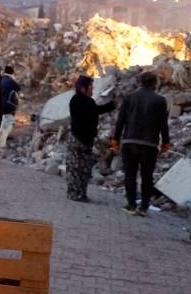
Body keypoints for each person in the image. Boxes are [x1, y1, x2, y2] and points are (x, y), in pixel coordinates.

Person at [111, 71, 171, 216]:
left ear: (140, 82)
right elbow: (163, 124)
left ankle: (131, 205)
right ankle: (144, 207)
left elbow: (121, 121)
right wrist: (166, 143)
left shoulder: (130, 98)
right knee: (147, 176)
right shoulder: (160, 100)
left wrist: (115, 141)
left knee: (130, 175)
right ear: (155, 84)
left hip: (129, 142)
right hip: (150, 145)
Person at [66, 75, 117, 202]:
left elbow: (96, 110)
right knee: (77, 168)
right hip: (79, 140)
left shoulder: (84, 101)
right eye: (91, 87)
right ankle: (76, 194)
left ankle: (78, 193)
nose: (92, 90)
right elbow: (93, 112)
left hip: (84, 140)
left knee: (81, 168)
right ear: (83, 88)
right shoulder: (80, 101)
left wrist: (112, 105)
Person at [0, 66, 21, 150]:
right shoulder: (10, 80)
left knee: (5, 120)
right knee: (8, 121)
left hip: (3, 102)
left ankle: (1, 139)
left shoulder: (3, 79)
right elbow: (18, 88)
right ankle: (2, 141)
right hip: (10, 103)